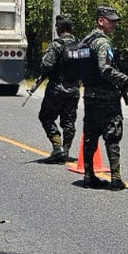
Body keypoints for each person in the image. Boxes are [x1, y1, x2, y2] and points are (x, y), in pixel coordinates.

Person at [79, 6, 128, 191]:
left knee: (90, 136)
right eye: (111, 21)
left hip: (90, 96)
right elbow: (105, 69)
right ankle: (116, 179)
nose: (115, 24)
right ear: (101, 21)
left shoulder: (86, 41)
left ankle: (88, 175)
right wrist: (125, 79)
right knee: (112, 136)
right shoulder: (103, 43)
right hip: (107, 98)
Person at [34, 14, 80, 162]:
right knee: (69, 121)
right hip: (74, 89)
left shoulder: (56, 45)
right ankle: (65, 151)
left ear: (59, 28)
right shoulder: (80, 46)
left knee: (45, 116)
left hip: (57, 88)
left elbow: (46, 65)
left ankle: (57, 146)